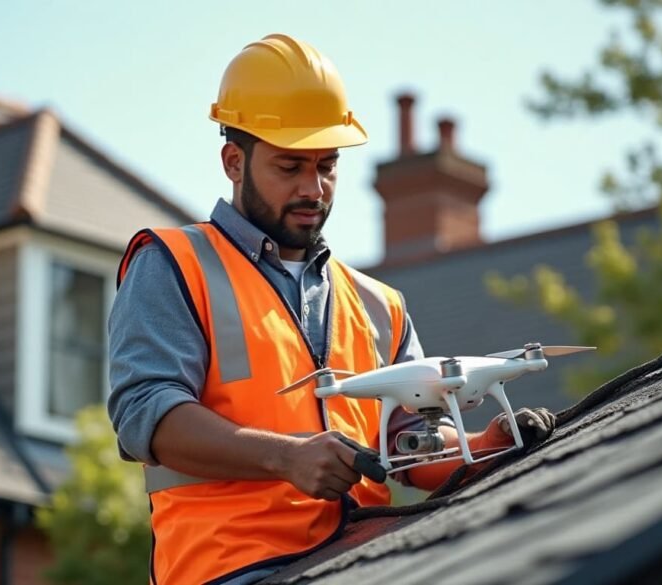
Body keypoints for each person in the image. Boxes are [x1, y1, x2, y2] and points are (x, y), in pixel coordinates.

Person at [108, 33, 556, 585]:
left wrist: (483, 448)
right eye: (290, 166)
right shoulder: (174, 262)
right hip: (232, 567)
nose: (313, 188)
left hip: (367, 557)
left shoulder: (378, 304)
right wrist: (286, 457)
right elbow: (145, 417)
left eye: (327, 166)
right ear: (233, 161)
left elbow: (409, 446)